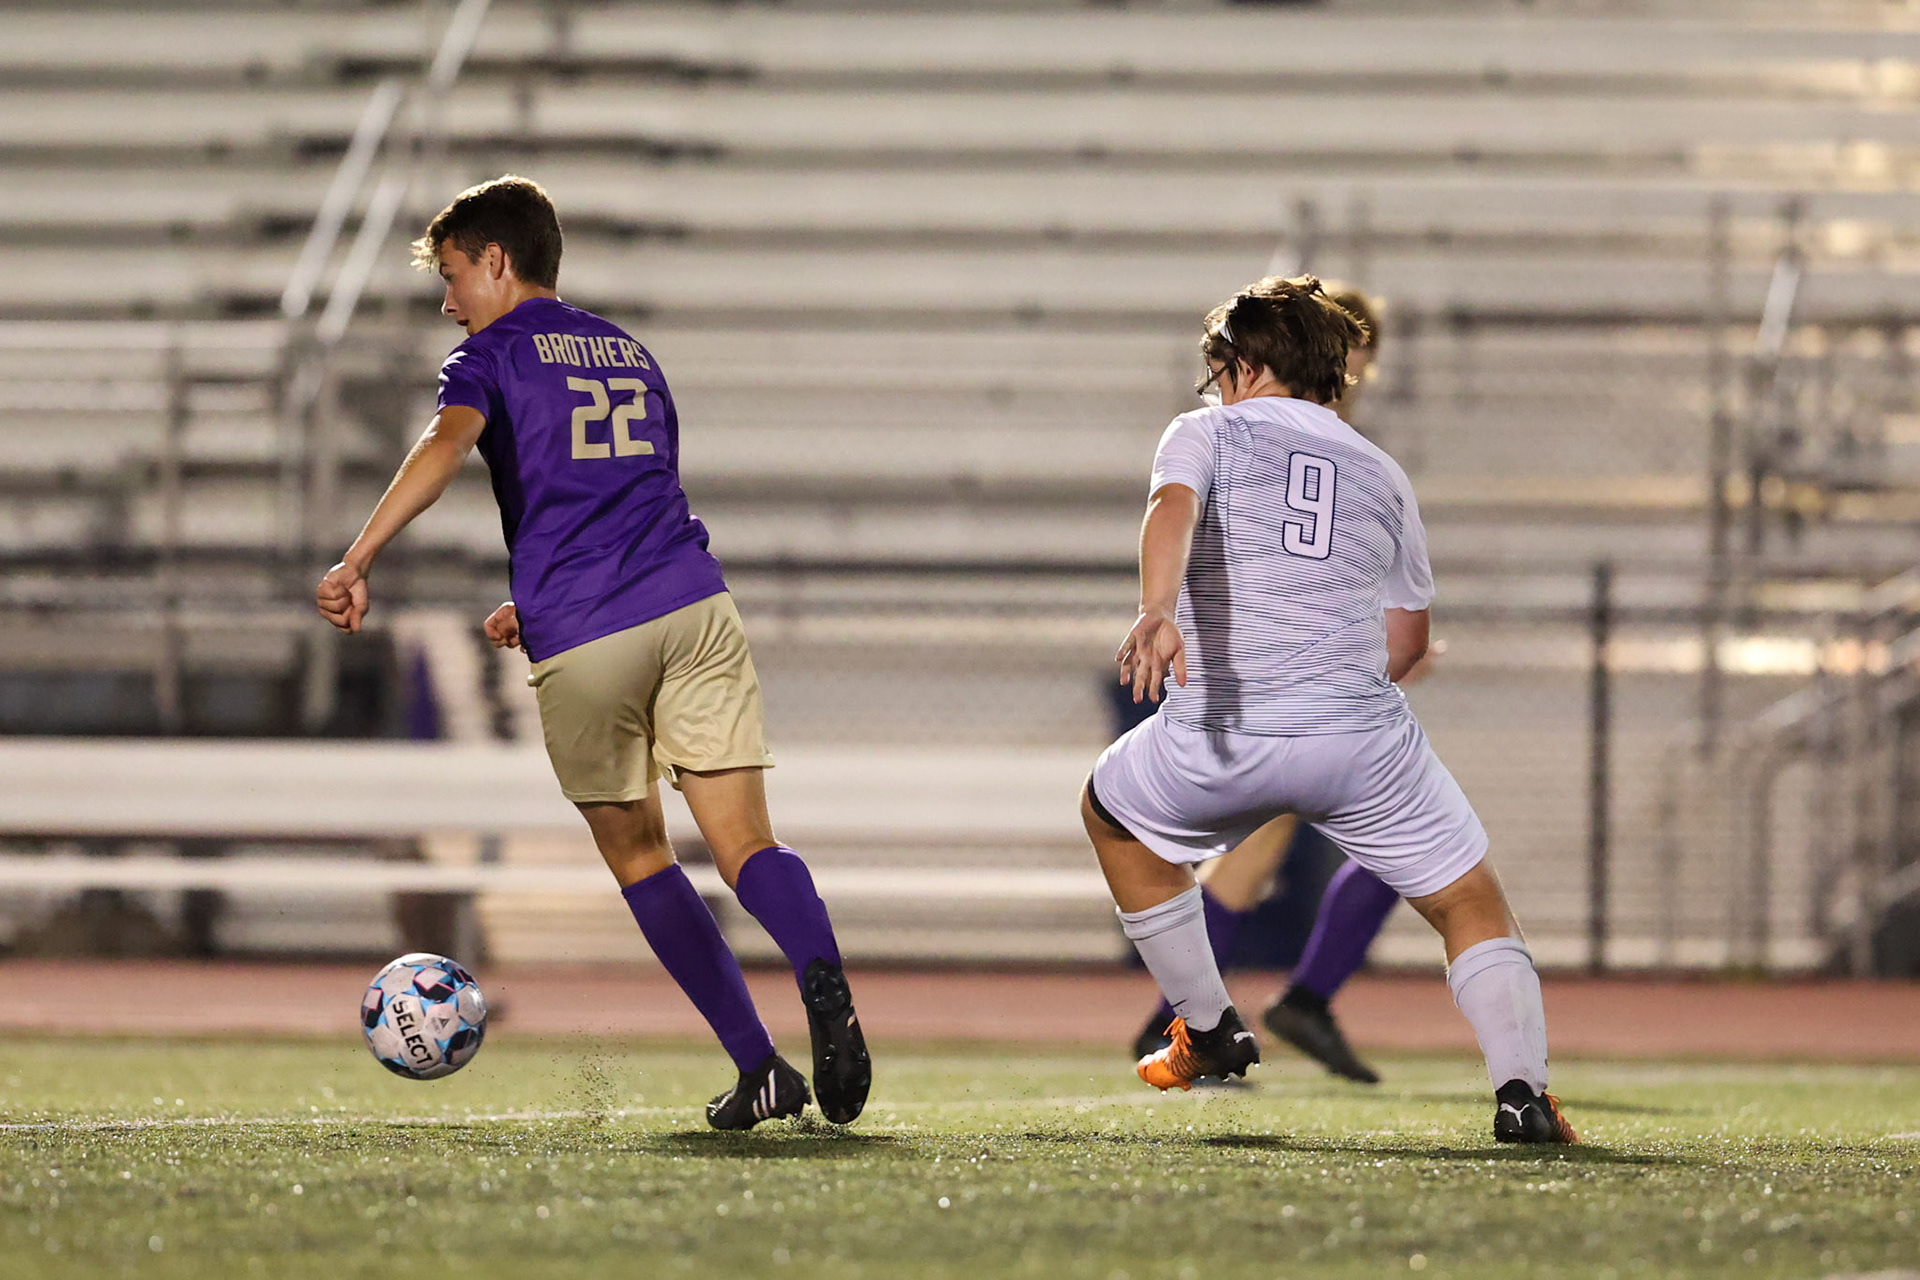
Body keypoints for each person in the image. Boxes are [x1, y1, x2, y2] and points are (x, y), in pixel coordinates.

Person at [315, 175, 870, 1131]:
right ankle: (823, 971)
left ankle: (759, 1066)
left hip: (591, 633)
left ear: (497, 260)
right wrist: (531, 595)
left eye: (452, 276)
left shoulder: (486, 358)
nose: (448, 303)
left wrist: (359, 554)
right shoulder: (630, 350)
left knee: (643, 855)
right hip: (694, 606)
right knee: (748, 847)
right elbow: (629, 490)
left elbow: (446, 450)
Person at [1082, 275, 1574, 1144]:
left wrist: (1156, 607)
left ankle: (1206, 1026)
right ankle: (1523, 1094)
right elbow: (1408, 642)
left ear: (1245, 362)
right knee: (1469, 903)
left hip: (1225, 736)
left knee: (1112, 814)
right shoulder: (1383, 472)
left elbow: (1172, 507)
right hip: (1359, 743)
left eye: (1218, 368)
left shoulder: (1207, 432)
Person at [1125, 287, 1408, 1087]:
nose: (1357, 376)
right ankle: (1289, 1000)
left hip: (1276, 676)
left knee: (1253, 853)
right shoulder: (1299, 440)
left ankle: (1188, 1013)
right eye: (1355, 356)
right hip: (1278, 680)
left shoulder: (1272, 436)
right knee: (1402, 841)